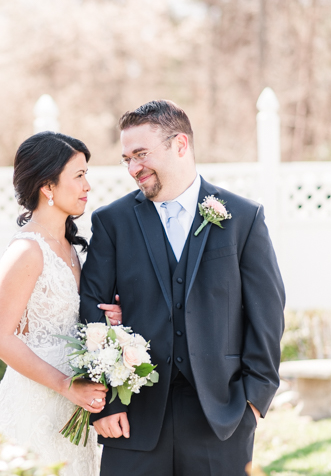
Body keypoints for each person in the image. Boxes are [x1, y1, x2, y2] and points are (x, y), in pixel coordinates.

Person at [79, 100, 286, 476]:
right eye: (127, 158)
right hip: (132, 417)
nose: (133, 168)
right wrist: (106, 404)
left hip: (221, 418)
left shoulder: (242, 217)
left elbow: (267, 314)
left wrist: (253, 401)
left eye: (141, 154)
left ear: (181, 145)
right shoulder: (112, 222)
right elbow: (91, 311)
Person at [0, 131, 123, 476]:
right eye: (78, 176)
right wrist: (65, 385)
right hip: (36, 401)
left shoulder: (73, 248)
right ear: (48, 186)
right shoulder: (26, 251)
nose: (87, 185)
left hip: (72, 407)